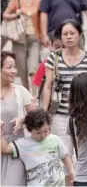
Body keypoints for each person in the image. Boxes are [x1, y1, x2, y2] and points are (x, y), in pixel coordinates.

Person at [42, 20, 87, 185]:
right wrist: (44, 113)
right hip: (60, 115)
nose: (68, 37)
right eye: (65, 34)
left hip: (84, 115)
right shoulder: (54, 57)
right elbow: (48, 86)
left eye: (72, 33)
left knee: (84, 156)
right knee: (63, 157)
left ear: (79, 34)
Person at [1, 108, 74, 186]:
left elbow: (64, 156)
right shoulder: (23, 144)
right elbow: (4, 149)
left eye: (46, 131)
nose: (42, 135)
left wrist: (71, 169)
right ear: (30, 129)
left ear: (49, 126)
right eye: (38, 133)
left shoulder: (55, 139)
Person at [0, 51, 36, 186]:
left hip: (15, 150)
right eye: (9, 67)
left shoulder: (21, 91)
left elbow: (38, 120)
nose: (14, 71)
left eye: (14, 67)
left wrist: (23, 120)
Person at [3, 0, 41, 92]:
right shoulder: (16, 0)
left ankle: (34, 96)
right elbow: (5, 15)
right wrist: (16, 14)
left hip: (34, 38)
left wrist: (44, 36)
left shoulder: (39, 0)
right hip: (19, 39)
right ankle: (26, 94)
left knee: (33, 68)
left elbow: (44, 18)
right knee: (23, 69)